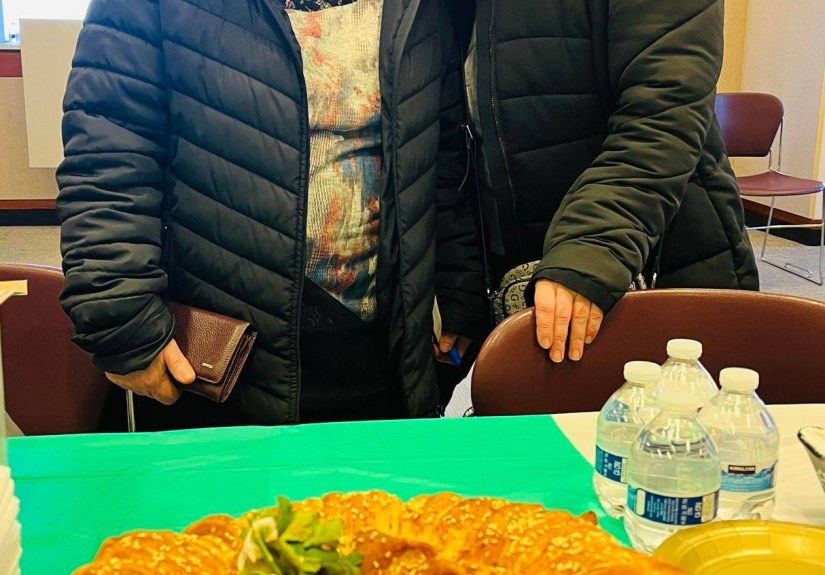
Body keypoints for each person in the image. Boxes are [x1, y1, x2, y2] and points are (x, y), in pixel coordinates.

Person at [57, 0, 487, 428]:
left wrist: (459, 291)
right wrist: (123, 318)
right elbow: (110, 148)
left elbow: (442, 147)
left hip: (383, 350)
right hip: (220, 357)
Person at [467, 0, 759, 363]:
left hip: (647, 254)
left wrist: (590, 249)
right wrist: (457, 288)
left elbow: (664, 117)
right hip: (512, 277)